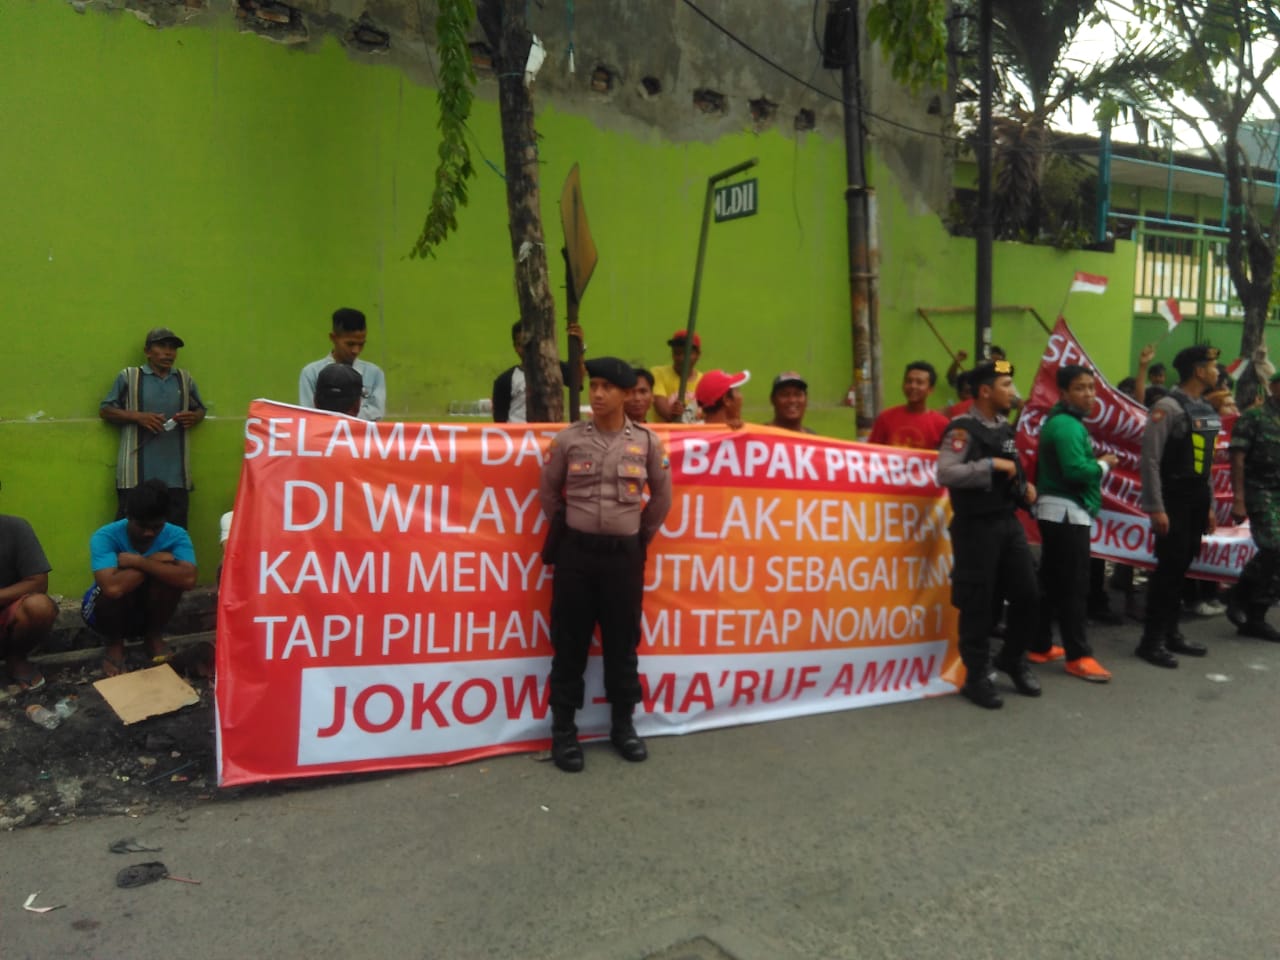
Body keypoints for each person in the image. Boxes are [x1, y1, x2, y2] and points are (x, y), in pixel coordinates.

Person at [539, 358, 672, 772]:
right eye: (592, 386)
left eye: (605, 387)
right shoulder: (568, 441)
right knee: (570, 642)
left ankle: (623, 727)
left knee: (622, 642)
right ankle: (564, 732)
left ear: (624, 393)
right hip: (576, 555)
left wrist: (636, 536)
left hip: (623, 558)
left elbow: (662, 498)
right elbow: (549, 492)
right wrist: (571, 532)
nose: (596, 394)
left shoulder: (648, 443)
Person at [936, 359, 1041, 708]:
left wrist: (1026, 488)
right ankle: (976, 674)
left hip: (1007, 523)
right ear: (985, 391)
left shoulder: (1003, 428)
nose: (1014, 392)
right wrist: (992, 465)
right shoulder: (962, 430)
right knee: (978, 603)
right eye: (1006, 385)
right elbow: (947, 473)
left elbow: (1014, 466)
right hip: (975, 527)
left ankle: (1012, 657)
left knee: (1028, 594)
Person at [1028, 365, 1117, 682]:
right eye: (1081, 388)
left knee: (1052, 583)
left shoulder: (1064, 422)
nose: (1089, 394)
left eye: (1092, 388)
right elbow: (1076, 471)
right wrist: (1103, 466)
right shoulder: (1066, 426)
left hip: (1060, 513)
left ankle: (1039, 645)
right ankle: (1078, 656)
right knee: (1074, 587)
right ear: (1063, 393)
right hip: (1068, 513)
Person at [1136, 344, 1222, 668]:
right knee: (1168, 571)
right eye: (1213, 366)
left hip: (1196, 499)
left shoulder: (1205, 408)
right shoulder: (1167, 407)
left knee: (1182, 569)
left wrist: (1210, 505)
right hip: (1173, 500)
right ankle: (1151, 640)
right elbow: (1151, 460)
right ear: (1198, 371)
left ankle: (1172, 634)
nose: (1217, 371)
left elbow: (1206, 462)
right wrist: (1156, 507)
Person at [83, 479, 198, 676]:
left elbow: (188, 579)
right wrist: (158, 563)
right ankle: (115, 643)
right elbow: (112, 587)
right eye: (142, 526)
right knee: (114, 589)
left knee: (171, 582)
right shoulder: (106, 536)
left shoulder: (177, 535)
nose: (148, 533)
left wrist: (140, 562)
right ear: (128, 516)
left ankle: (153, 637)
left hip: (150, 608)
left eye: (156, 527)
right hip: (104, 612)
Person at [99, 327, 207, 529]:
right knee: (130, 529)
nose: (168, 353)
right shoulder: (129, 377)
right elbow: (105, 410)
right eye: (162, 346)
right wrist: (137, 416)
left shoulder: (184, 379)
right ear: (148, 351)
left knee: (174, 531)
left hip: (176, 475)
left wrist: (193, 417)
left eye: (173, 348)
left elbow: (200, 409)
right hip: (135, 473)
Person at [1225, 370, 1280, 642]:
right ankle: (1244, 598)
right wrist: (1238, 498)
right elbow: (1237, 458)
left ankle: (1252, 608)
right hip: (1259, 491)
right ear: (1274, 387)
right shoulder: (1254, 418)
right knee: (1272, 546)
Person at [0, 514, 59, 690]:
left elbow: (38, 582)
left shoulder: (15, 528)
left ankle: (16, 659)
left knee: (39, 607)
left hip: (7, 615)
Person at [299, 308, 386, 421]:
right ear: (333, 338)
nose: (356, 350)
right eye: (350, 344)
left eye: (361, 344)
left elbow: (376, 412)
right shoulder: (310, 373)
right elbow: (308, 413)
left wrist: (340, 419)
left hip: (359, 436)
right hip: (324, 436)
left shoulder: (375, 374)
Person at [492, 321, 586, 423]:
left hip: (550, 435)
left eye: (530, 344)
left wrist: (579, 348)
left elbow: (578, 382)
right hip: (519, 437)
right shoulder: (504, 381)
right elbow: (499, 422)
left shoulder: (554, 368)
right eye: (521, 344)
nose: (527, 349)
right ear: (515, 347)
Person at [868, 362, 950, 449]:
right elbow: (871, 452)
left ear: (930, 390)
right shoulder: (885, 418)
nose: (913, 386)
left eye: (919, 382)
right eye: (909, 381)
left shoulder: (942, 424)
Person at [652, 330, 703, 423]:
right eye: (677, 353)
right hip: (665, 436)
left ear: (697, 355)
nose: (681, 358)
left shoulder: (704, 381)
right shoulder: (658, 373)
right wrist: (673, 414)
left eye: (686, 354)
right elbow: (661, 408)